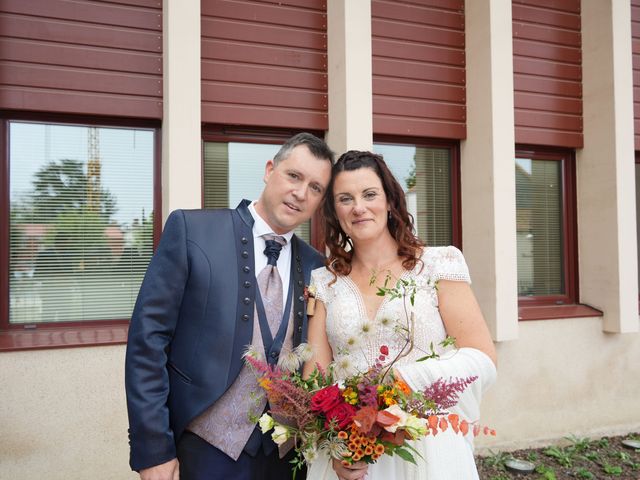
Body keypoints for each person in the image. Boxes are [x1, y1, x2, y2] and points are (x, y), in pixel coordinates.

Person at [125, 133, 334, 480]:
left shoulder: (317, 267)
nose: (301, 193)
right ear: (270, 170)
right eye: (294, 176)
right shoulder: (193, 230)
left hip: (286, 457)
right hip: (204, 449)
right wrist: (152, 450)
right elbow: (148, 343)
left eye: (315, 188)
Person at [303, 150, 497, 480]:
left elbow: (483, 359)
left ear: (390, 201)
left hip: (427, 449)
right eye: (345, 199)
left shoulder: (438, 265)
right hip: (351, 451)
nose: (358, 207)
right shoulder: (325, 281)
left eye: (369, 194)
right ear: (335, 212)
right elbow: (313, 381)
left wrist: (403, 382)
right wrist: (334, 446)